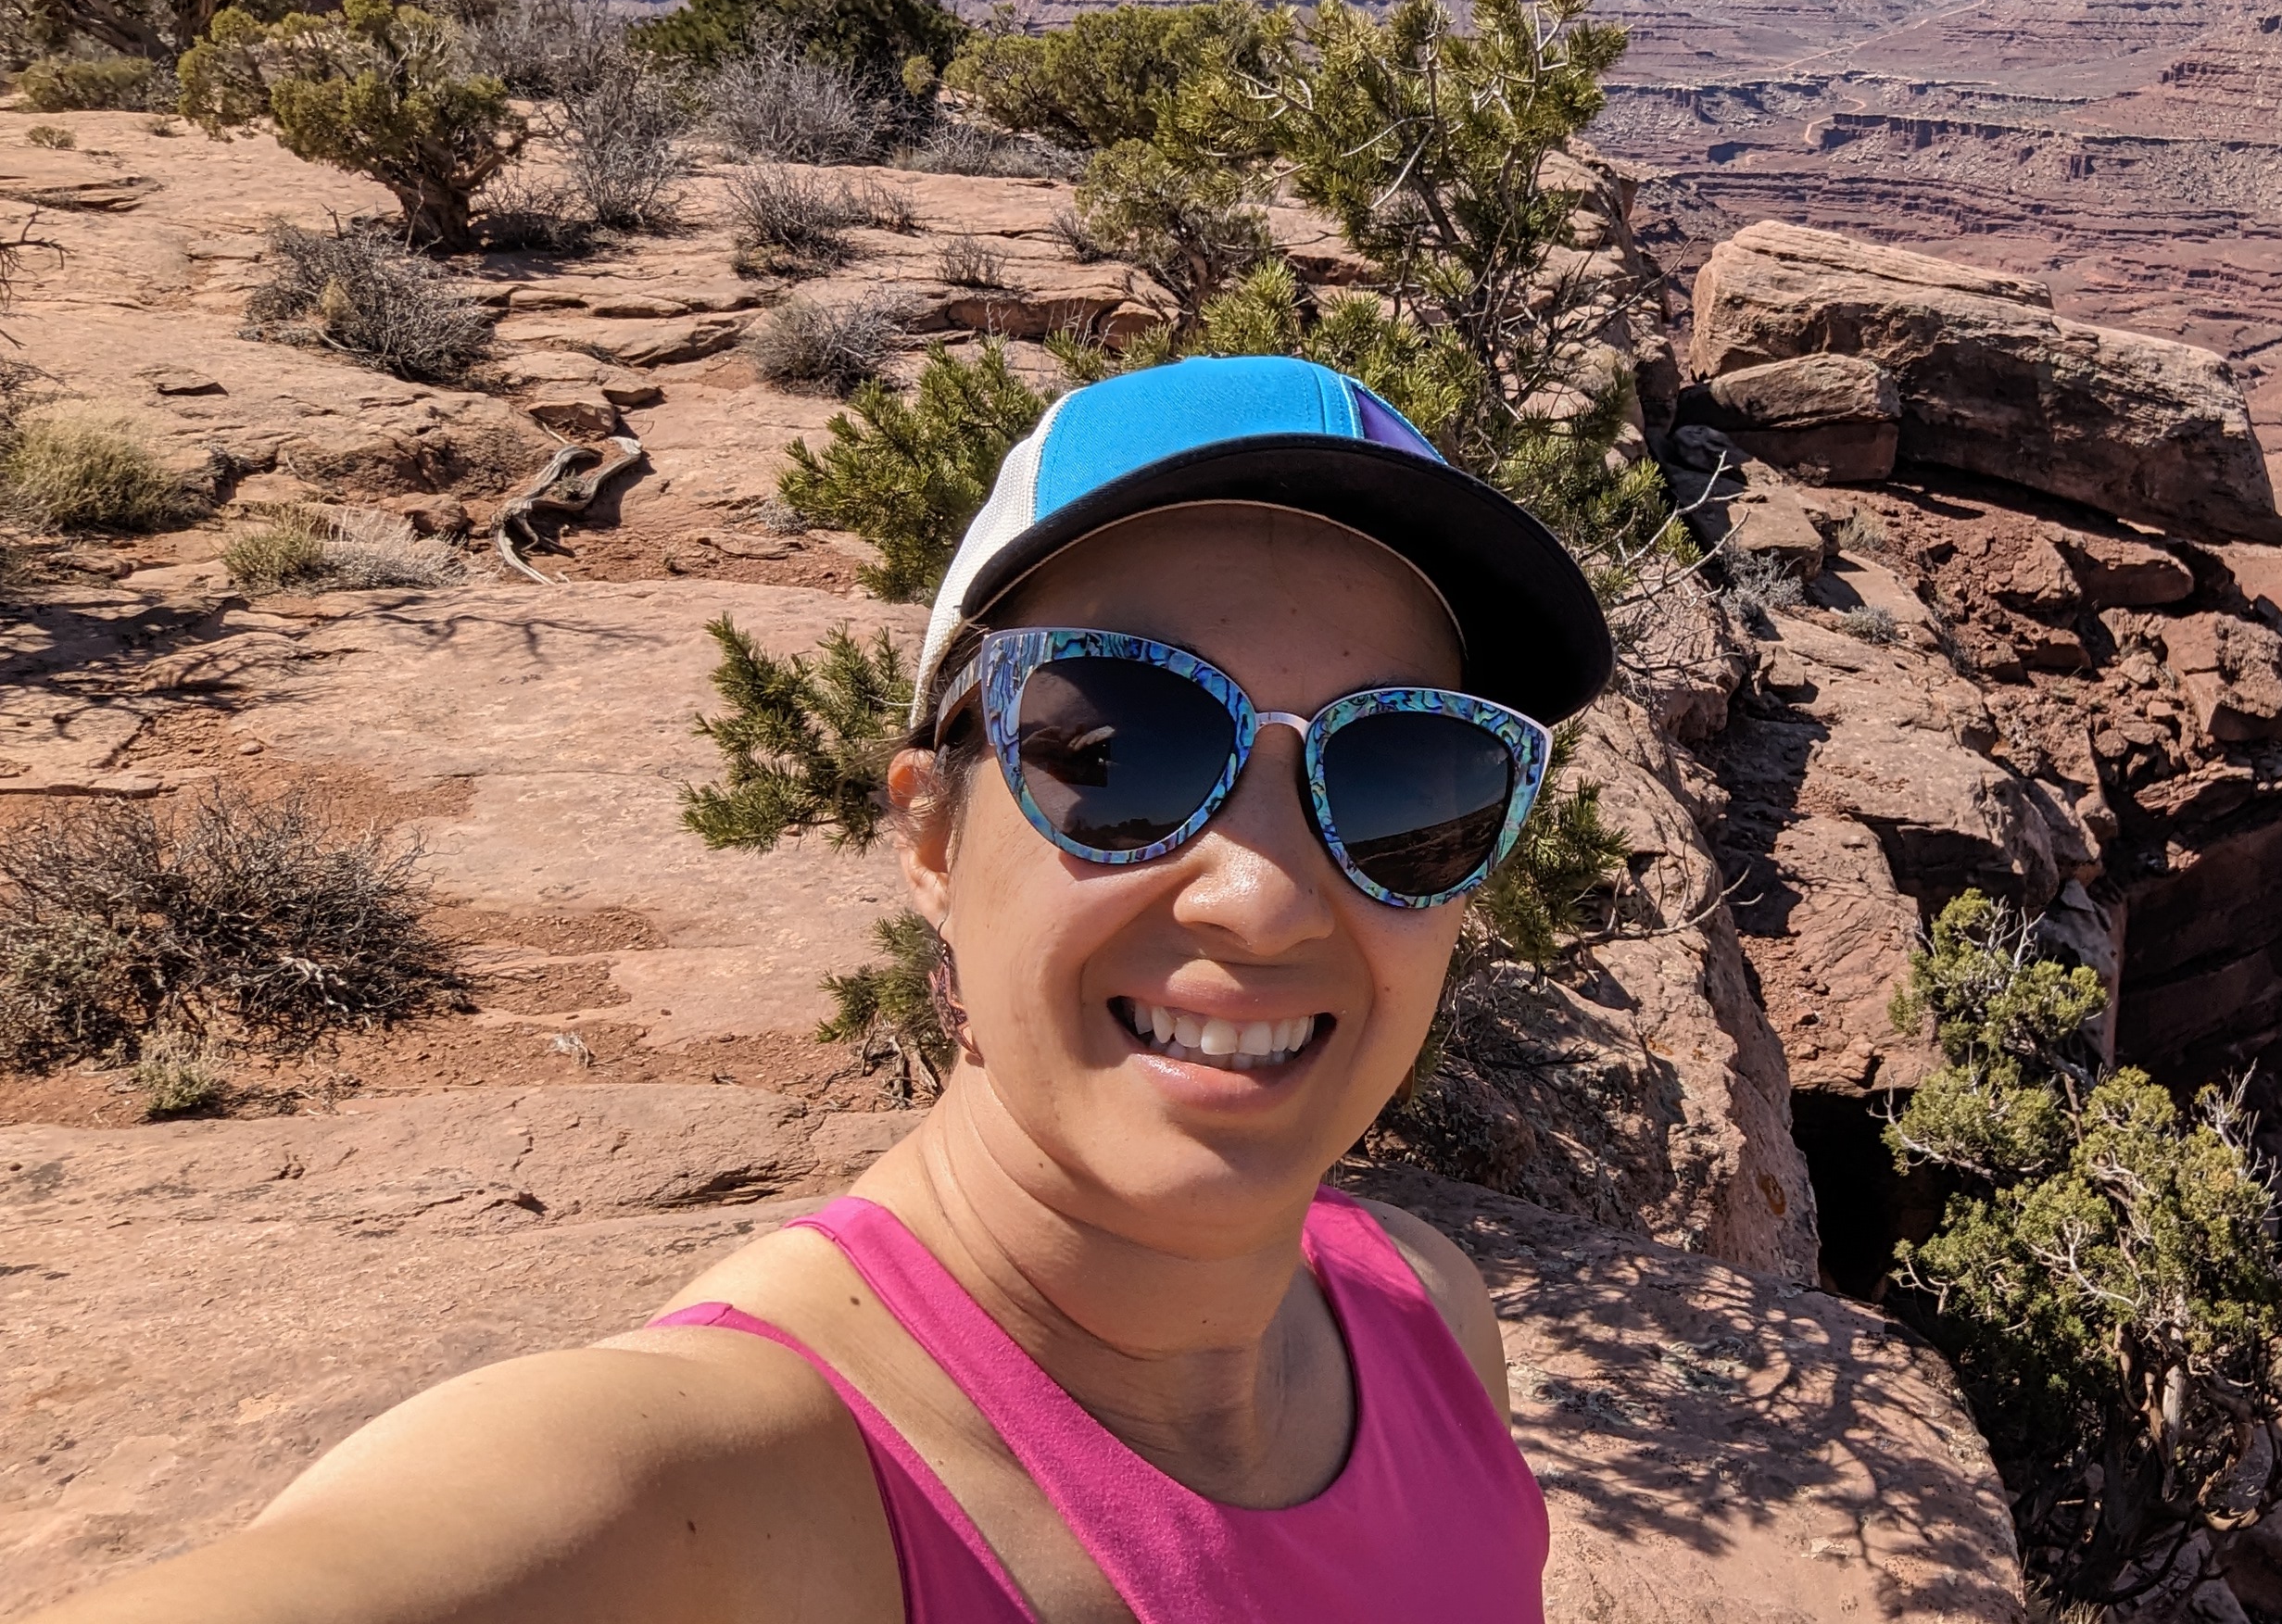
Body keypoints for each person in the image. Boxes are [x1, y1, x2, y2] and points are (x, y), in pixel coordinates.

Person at [46, 357, 1608, 1623]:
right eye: (1125, 747)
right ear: (929, 833)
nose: (1262, 894)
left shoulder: (1422, 1315)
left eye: (1408, 775)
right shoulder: (710, 1496)